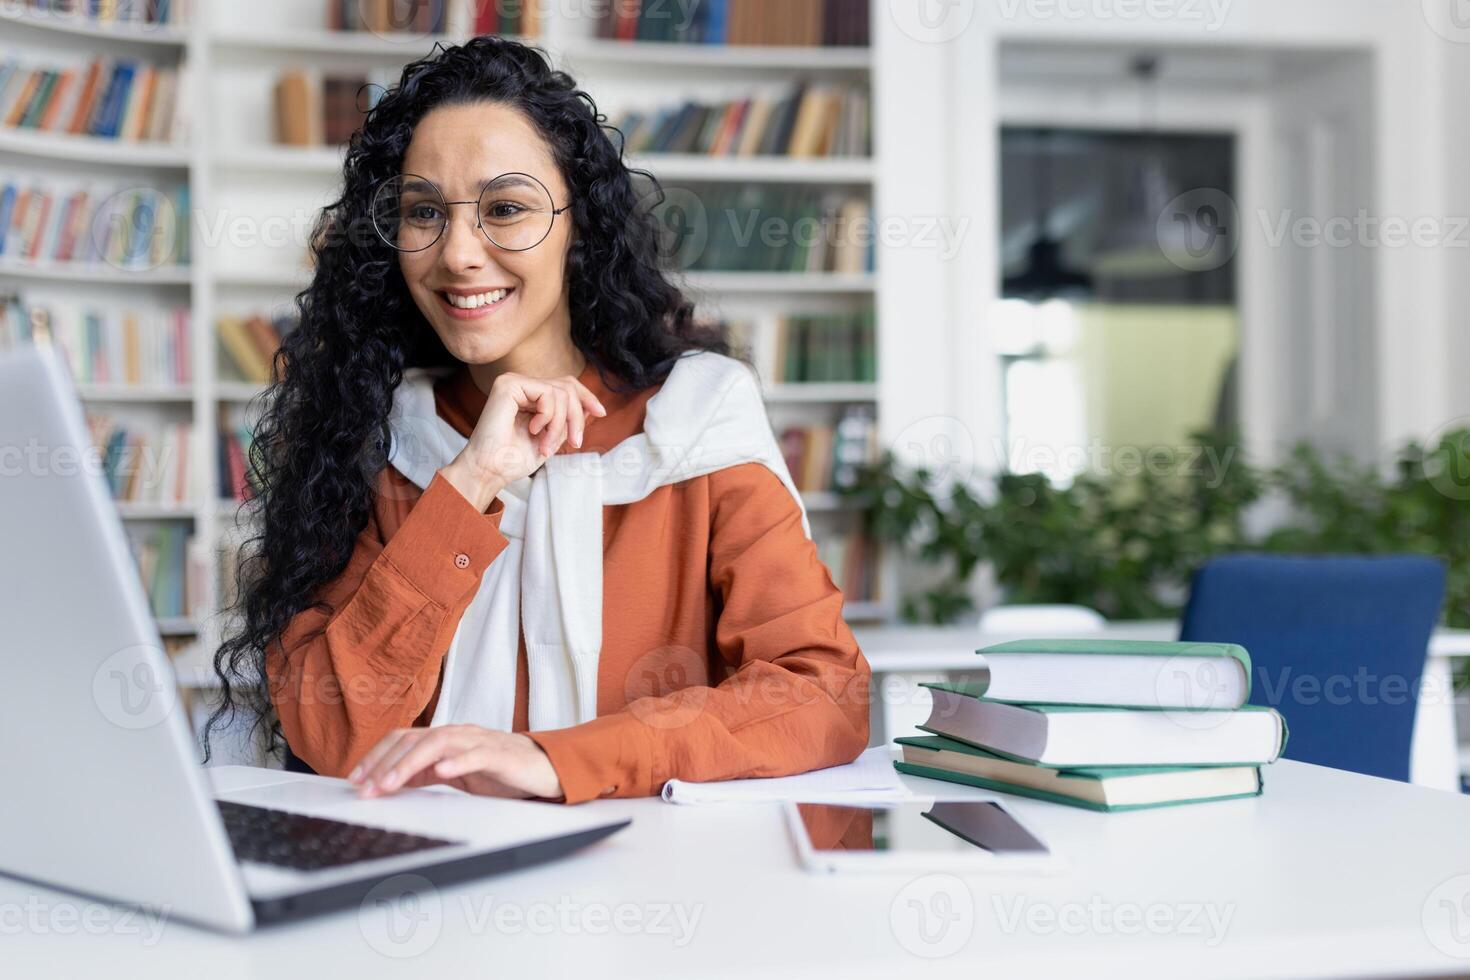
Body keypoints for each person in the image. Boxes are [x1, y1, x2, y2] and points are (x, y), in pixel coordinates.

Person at [207, 36, 871, 805]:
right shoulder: (374, 435)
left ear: (577, 224)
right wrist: (471, 481)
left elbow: (821, 692)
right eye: (425, 211)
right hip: (426, 884)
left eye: (507, 208)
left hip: (655, 893)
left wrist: (557, 759)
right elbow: (334, 736)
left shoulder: (698, 419)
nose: (458, 253)